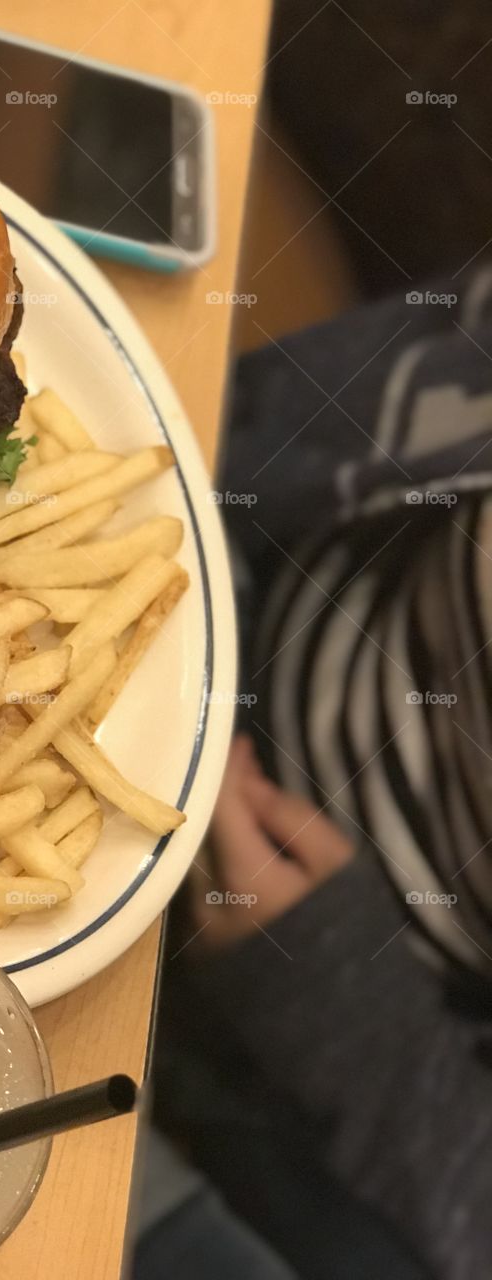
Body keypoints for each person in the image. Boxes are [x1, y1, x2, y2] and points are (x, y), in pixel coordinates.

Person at [155, 268, 492, 1280]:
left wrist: (335, 983)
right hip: (243, 582)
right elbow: (343, 400)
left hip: (307, 1003)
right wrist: (186, 497)